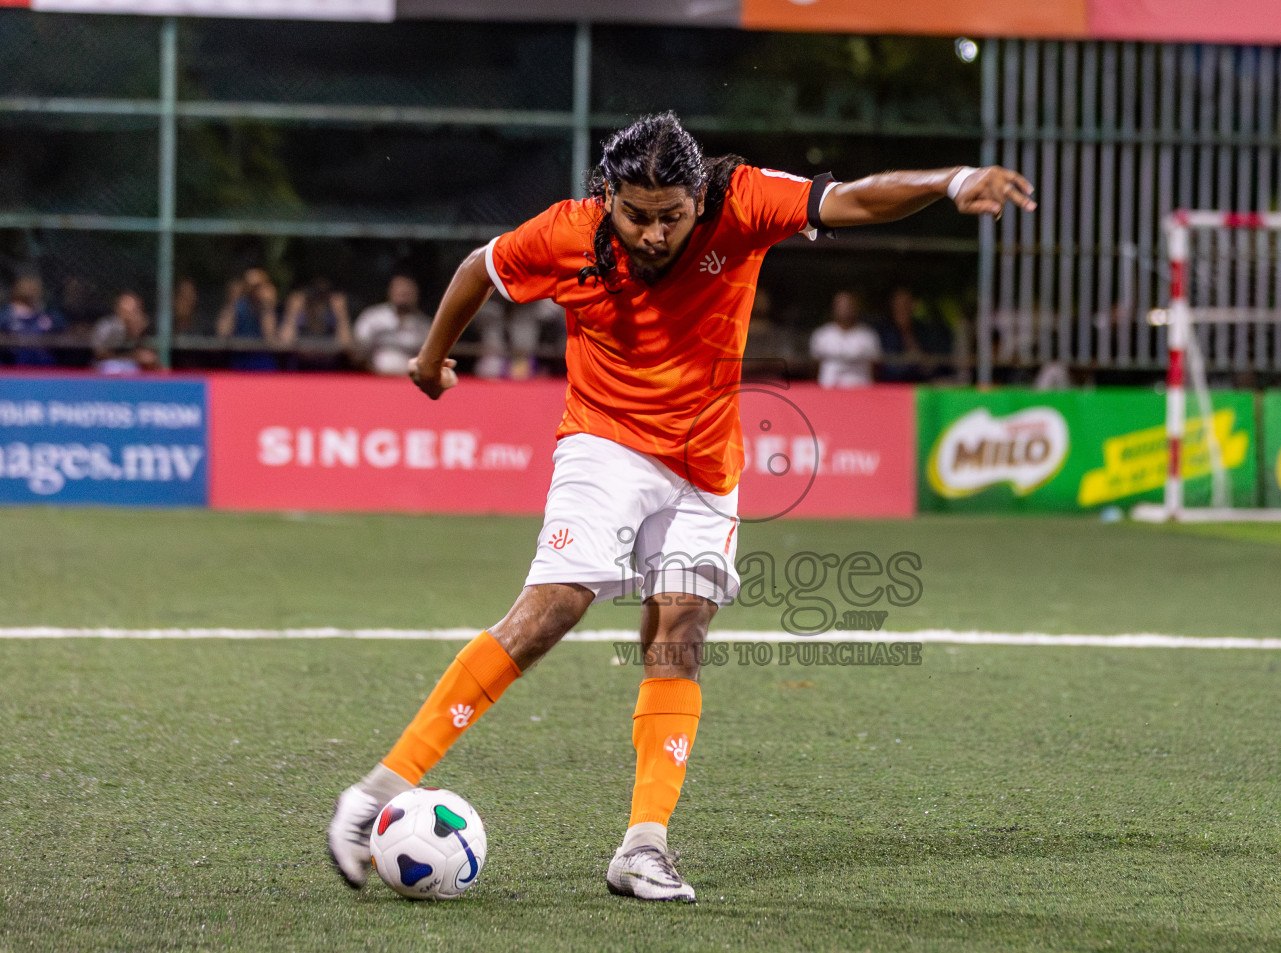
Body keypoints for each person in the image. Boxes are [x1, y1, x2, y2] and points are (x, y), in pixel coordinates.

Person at [326, 112, 1035, 902]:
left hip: (706, 462)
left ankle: (642, 847)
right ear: (608, 197)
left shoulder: (743, 203)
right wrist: (430, 361)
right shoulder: (566, 233)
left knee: (681, 632)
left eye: (672, 215)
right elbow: (475, 271)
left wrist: (952, 181)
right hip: (605, 439)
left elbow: (855, 202)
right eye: (637, 215)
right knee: (555, 605)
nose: (656, 233)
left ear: (699, 197)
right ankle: (373, 797)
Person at [353, 273, 431, 376]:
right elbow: (357, 350)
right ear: (390, 291)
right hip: (374, 377)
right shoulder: (373, 317)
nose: (403, 293)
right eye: (399, 290)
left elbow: (431, 357)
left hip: (411, 380)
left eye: (407, 291)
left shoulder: (424, 325)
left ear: (415, 294)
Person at [875, 286, 952, 383]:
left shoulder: (926, 331)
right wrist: (912, 363)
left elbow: (937, 364)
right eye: (899, 306)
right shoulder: (883, 332)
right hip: (893, 387)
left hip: (923, 386)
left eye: (906, 305)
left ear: (913, 305)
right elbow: (887, 369)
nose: (903, 309)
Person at [810, 290, 882, 388]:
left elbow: (875, 367)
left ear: (855, 308)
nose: (845, 309)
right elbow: (814, 366)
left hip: (861, 390)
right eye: (841, 306)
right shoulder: (822, 335)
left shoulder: (868, 335)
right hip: (828, 390)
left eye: (848, 306)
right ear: (834, 308)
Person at [279, 277, 353, 371]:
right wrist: (292, 314)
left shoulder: (333, 317)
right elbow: (283, 344)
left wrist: (341, 316)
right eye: (314, 293)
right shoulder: (300, 317)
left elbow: (346, 346)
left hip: (331, 369)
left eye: (322, 294)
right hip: (301, 367)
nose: (317, 299)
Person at [216, 267, 281, 371]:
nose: (253, 290)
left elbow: (270, 338)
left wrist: (267, 306)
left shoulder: (268, 308)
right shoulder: (238, 306)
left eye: (258, 286)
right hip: (239, 361)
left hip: (262, 361)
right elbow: (222, 334)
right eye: (250, 286)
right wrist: (233, 301)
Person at [0, 273, 65, 366]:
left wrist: (49, 322)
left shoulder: (45, 314)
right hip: (12, 362)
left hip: (41, 362)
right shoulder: (7, 314)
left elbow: (61, 326)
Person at [91, 290, 161, 374]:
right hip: (106, 368)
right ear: (117, 311)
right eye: (125, 311)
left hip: (137, 370)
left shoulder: (145, 326)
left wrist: (137, 332)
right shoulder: (107, 327)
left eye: (133, 311)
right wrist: (134, 357)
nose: (128, 316)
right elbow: (100, 355)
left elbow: (151, 357)